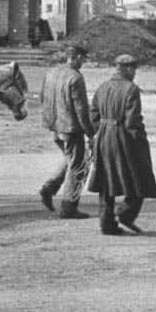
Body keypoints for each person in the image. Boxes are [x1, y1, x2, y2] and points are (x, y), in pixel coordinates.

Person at [88, 53, 156, 235]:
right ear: (128, 69)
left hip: (103, 137)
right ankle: (126, 214)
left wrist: (101, 131)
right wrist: (140, 139)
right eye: (134, 70)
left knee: (105, 180)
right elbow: (132, 121)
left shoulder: (102, 87)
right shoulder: (131, 89)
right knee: (141, 175)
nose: (134, 74)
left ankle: (106, 224)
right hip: (123, 138)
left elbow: (93, 116)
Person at [39, 43, 95, 219]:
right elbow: (81, 109)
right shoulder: (76, 77)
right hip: (70, 128)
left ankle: (50, 188)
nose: (83, 64)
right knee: (79, 165)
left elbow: (42, 98)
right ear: (77, 57)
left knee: (71, 159)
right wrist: (90, 133)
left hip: (53, 125)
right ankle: (69, 207)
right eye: (83, 60)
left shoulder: (51, 73)